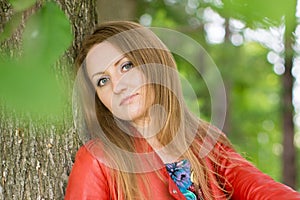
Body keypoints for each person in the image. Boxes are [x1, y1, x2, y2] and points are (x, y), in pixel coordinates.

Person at [65, 21, 300, 200]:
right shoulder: (98, 160)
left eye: (126, 66)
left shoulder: (205, 142)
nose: (118, 86)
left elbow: (260, 188)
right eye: (103, 81)